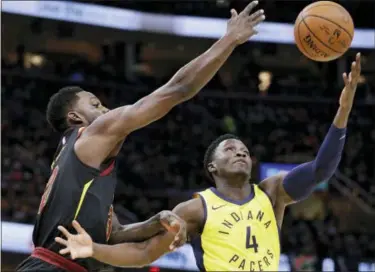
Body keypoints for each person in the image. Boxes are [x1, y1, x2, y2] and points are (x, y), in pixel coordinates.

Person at [16, 1, 265, 271]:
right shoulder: (91, 134)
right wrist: (229, 40)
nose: (106, 109)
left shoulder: (73, 168)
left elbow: (113, 235)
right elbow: (177, 89)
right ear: (75, 118)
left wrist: (156, 221)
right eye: (95, 104)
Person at [54, 53, 362, 271]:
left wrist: (343, 110)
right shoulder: (195, 209)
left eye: (243, 150)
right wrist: (94, 249)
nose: (239, 153)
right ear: (212, 167)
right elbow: (145, 252)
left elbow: (322, 168)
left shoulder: (273, 192)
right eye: (229, 149)